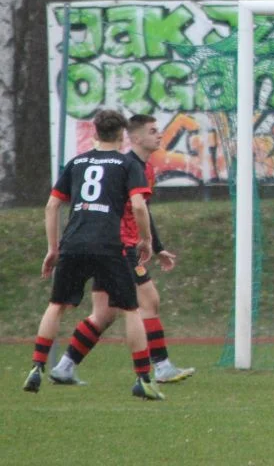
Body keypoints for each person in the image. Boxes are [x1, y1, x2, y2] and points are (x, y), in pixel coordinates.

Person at [25, 109, 164, 400]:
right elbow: (139, 207)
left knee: (56, 305)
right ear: (121, 135)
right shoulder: (127, 164)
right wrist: (147, 240)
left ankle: (37, 367)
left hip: (74, 243)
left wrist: (53, 248)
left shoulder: (76, 162)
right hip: (111, 245)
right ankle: (143, 378)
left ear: (95, 132)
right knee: (130, 310)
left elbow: (52, 206)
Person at [47, 114, 195, 386]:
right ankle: (161, 366)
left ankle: (65, 366)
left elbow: (143, 212)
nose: (159, 135)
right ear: (134, 137)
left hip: (106, 246)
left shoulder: (141, 168)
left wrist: (157, 247)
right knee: (148, 301)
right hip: (117, 247)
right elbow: (133, 209)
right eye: (153, 131)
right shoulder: (126, 165)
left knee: (104, 314)